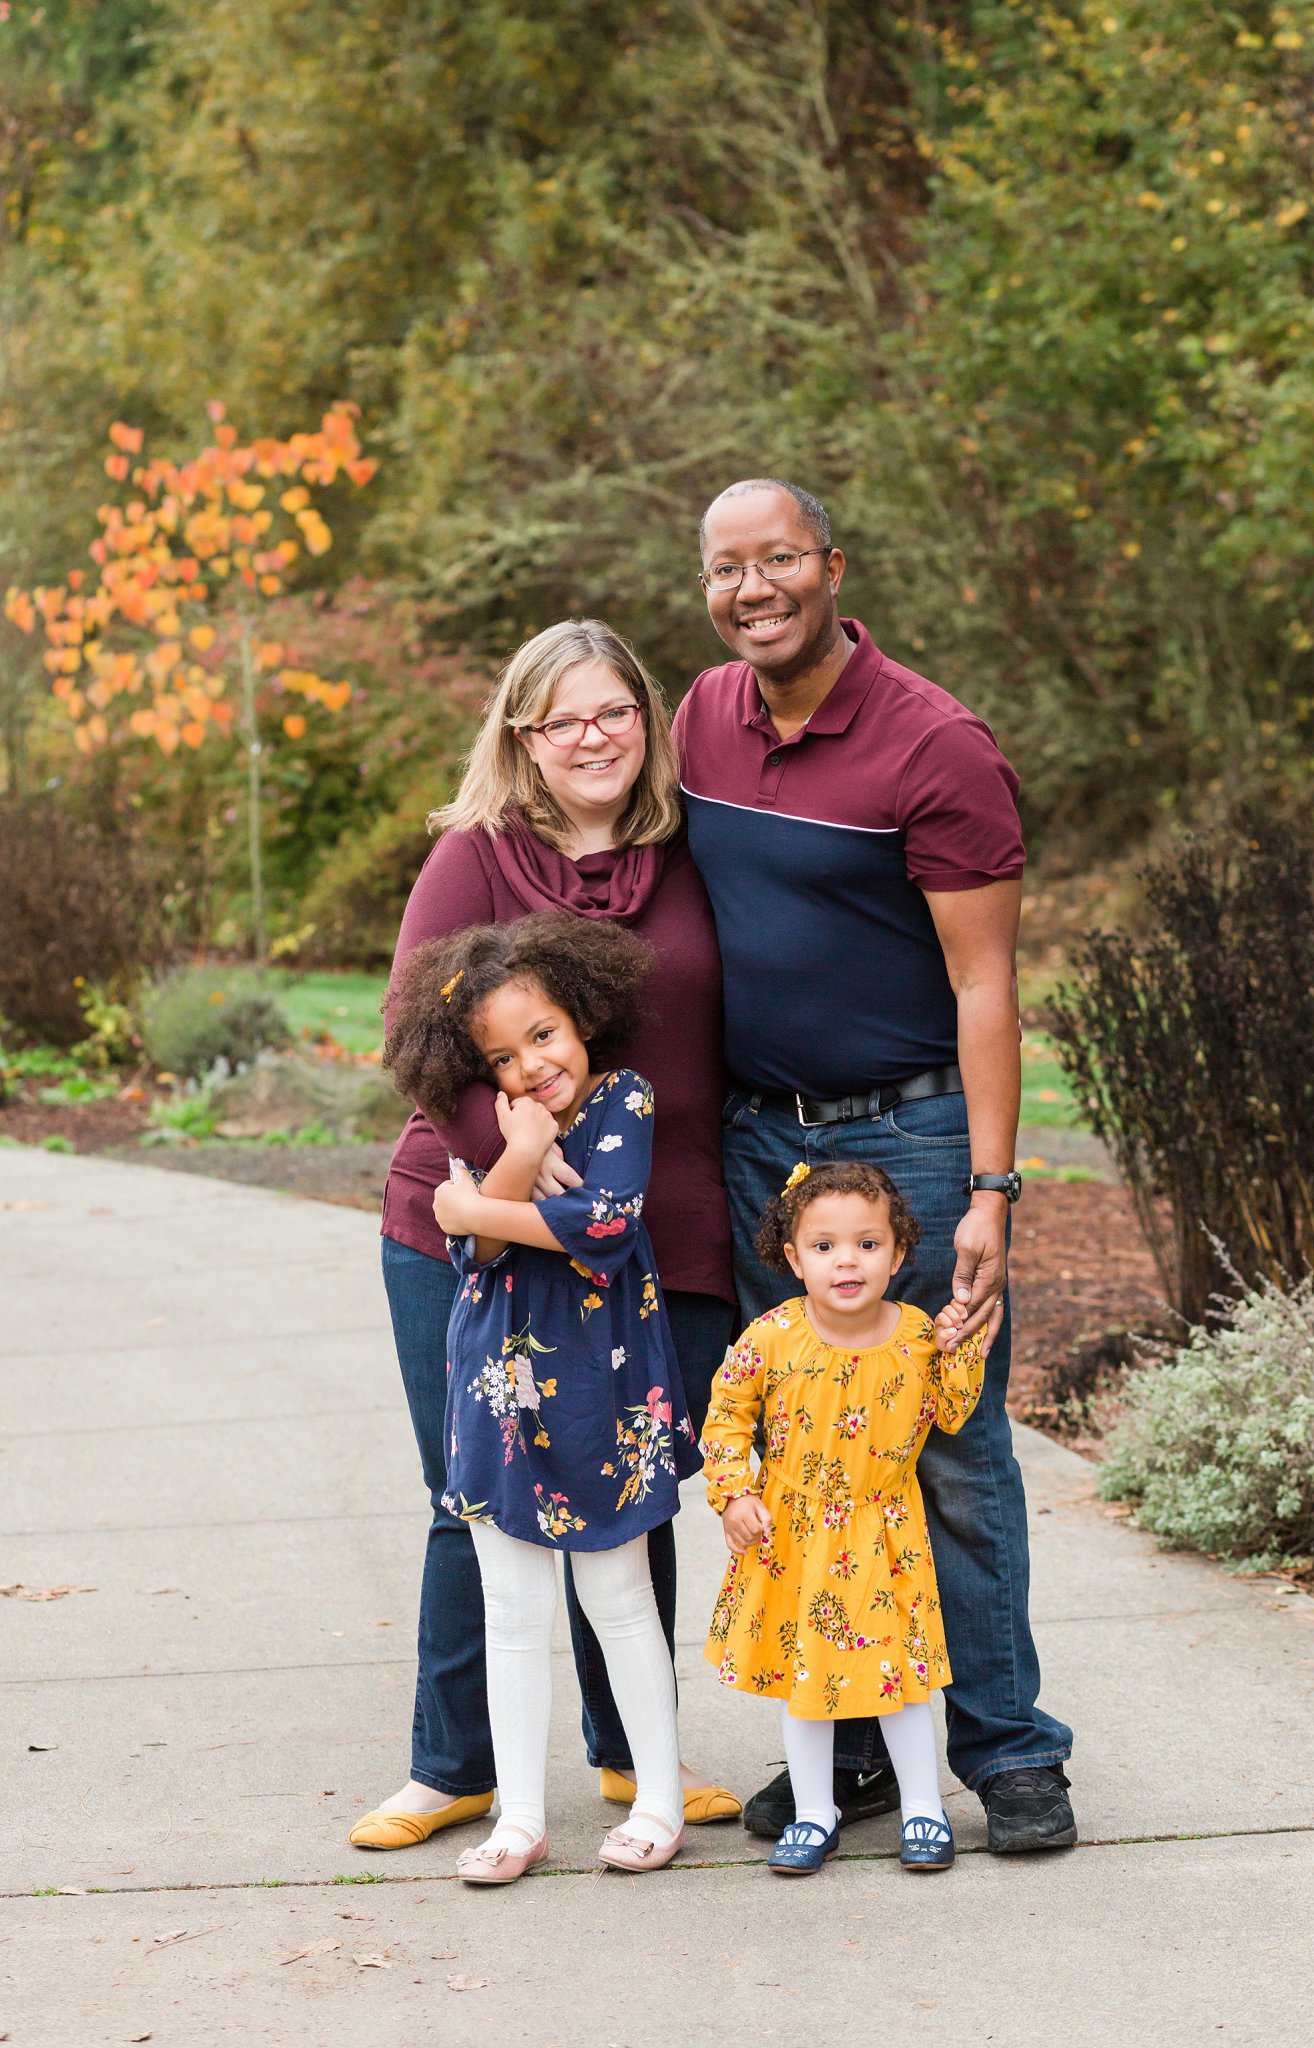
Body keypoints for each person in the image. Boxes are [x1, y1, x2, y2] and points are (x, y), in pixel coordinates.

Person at [673, 478, 1076, 1853]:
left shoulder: (935, 745)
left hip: (907, 1136)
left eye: (778, 559)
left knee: (948, 1454)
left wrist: (990, 1189)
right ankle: (846, 1751)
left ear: (834, 566)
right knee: (800, 1455)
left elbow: (984, 987)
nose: (753, 589)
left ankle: (1008, 1750)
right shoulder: (702, 718)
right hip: (760, 1143)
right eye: (726, 568)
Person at [350, 619, 738, 1854]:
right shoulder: (476, 857)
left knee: (628, 1497)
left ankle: (635, 1759)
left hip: (652, 1230)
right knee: (473, 1495)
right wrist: (521, 1149)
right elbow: (414, 1033)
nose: (592, 736)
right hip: (465, 1226)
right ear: (521, 734)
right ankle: (450, 1767)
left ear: (647, 722)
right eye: (562, 717)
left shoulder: (686, 855)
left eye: (615, 711)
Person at [383, 911, 699, 1879]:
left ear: (582, 1018)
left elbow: (602, 1224)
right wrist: (513, 1160)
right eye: (503, 1056)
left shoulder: (625, 1099)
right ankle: (519, 1816)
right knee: (511, 1606)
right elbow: (469, 1249)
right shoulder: (500, 1125)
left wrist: (478, 1202)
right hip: (498, 1386)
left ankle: (659, 1796)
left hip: (600, 1387)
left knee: (619, 1598)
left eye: (543, 1034)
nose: (531, 1064)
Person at [701, 1160, 1000, 1876]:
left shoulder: (917, 1335)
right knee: (807, 1685)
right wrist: (736, 1492)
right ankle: (814, 1812)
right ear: (793, 1257)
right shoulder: (772, 1336)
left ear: (898, 1256)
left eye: (868, 1245)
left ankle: (923, 1807)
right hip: (794, 1538)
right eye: (826, 1245)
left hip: (884, 1531)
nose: (847, 1260)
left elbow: (953, 1412)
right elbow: (726, 1416)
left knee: (897, 1679)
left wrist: (961, 1351)